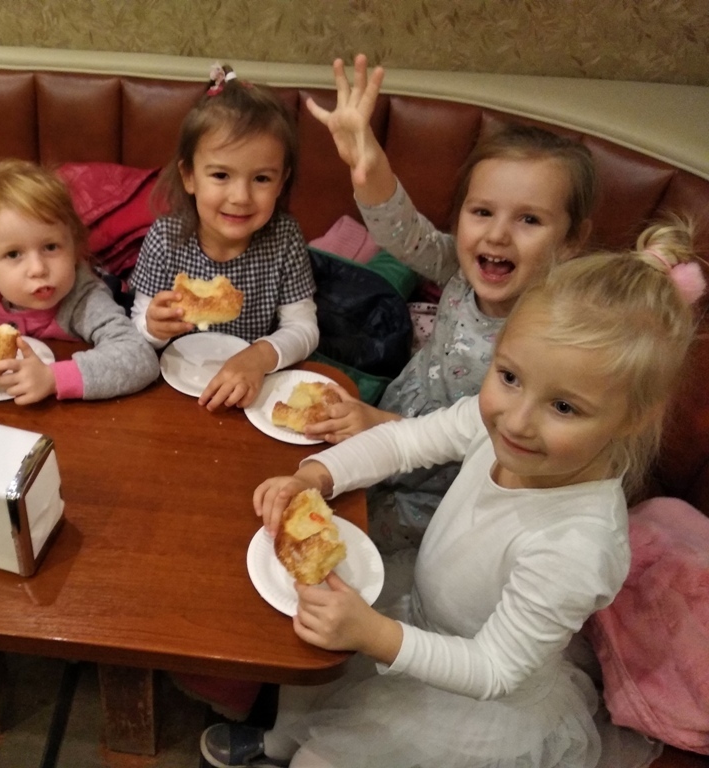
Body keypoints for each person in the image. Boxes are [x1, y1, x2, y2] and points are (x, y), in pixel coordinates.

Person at [200, 218, 705, 768]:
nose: (516, 420)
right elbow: (403, 442)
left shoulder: (578, 546)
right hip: (417, 606)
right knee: (314, 643)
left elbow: (494, 669)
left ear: (634, 418)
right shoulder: (497, 426)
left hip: (476, 703)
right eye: (509, 377)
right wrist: (316, 475)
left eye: (563, 407)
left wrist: (376, 635)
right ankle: (278, 743)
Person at [302, 54, 597, 552]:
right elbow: (403, 231)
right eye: (482, 212)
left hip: (447, 488)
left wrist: (384, 428)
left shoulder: (554, 335)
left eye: (529, 220)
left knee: (353, 540)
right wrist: (366, 163)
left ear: (571, 241)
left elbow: (496, 440)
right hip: (390, 422)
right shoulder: (458, 269)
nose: (498, 235)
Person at [129, 64, 318, 412]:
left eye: (261, 179)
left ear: (281, 181)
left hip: (252, 390)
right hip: (171, 389)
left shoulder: (284, 238)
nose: (241, 197)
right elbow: (138, 325)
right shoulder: (165, 237)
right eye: (220, 175)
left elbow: (305, 328)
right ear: (189, 176)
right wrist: (152, 327)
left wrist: (260, 356)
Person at [0, 158, 160, 404]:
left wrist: (53, 378)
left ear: (75, 249)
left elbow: (139, 357)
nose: (38, 269)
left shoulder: (84, 299)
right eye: (13, 254)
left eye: (51, 247)